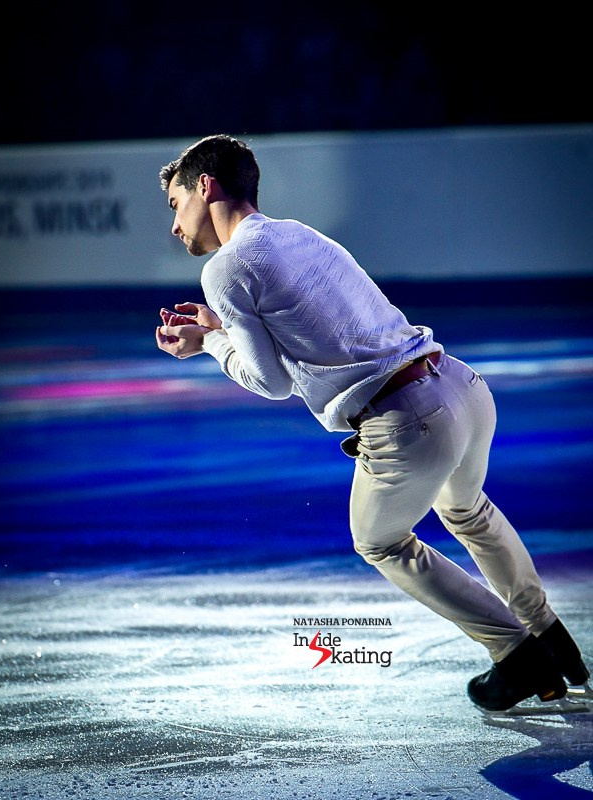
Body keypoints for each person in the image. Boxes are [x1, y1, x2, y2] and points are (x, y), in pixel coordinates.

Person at [156, 134, 589, 711]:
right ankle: (551, 639)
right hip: (460, 386)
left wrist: (211, 343)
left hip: (409, 421)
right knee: (466, 509)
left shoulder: (226, 267)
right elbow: (308, 325)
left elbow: (271, 382)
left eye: (174, 204)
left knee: (379, 540)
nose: (174, 225)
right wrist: (223, 328)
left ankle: (515, 654)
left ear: (204, 186)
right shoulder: (297, 234)